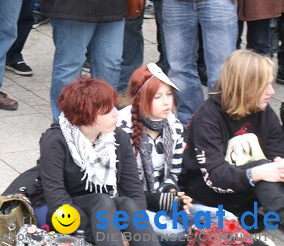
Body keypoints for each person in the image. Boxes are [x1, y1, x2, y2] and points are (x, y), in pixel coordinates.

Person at [31, 78, 159, 246]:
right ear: (86, 115)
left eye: (114, 106)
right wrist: (99, 234)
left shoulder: (118, 137)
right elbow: (56, 198)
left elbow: (133, 188)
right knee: (102, 201)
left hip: (103, 210)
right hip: (58, 210)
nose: (116, 113)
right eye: (107, 111)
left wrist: (131, 231)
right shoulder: (55, 140)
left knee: (127, 203)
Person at [180, 50, 284, 220]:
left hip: (244, 185)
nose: (272, 91)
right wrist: (257, 173)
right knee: (262, 169)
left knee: (270, 169)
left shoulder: (263, 110)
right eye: (265, 85)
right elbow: (215, 176)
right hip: (204, 189)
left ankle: (247, 211)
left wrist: (280, 165)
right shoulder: (208, 118)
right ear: (245, 87)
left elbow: (277, 151)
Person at [116, 64, 192, 241]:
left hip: (161, 200)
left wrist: (172, 193)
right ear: (140, 99)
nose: (167, 102)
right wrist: (159, 200)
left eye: (169, 94)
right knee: (178, 235)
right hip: (132, 207)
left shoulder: (174, 126)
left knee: (220, 219)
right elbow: (120, 188)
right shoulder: (120, 130)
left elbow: (173, 174)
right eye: (158, 97)